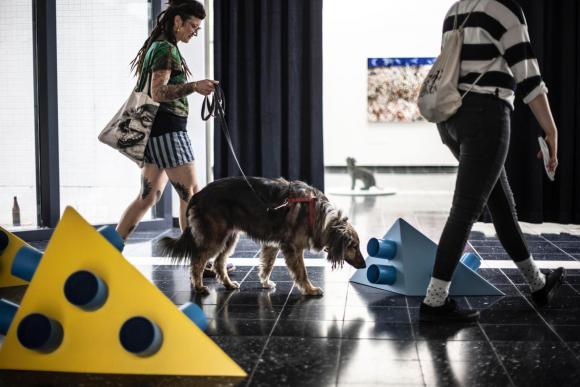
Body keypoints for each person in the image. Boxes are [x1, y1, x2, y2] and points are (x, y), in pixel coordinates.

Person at [420, 0, 565, 323]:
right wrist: (551, 129)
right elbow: (528, 76)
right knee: (466, 210)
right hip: (486, 119)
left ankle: (538, 284)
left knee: (501, 205)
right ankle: (434, 302)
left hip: (451, 121)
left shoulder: (455, 11)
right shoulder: (504, 10)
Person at [116, 0, 231, 275]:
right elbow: (159, 93)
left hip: (156, 132)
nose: (195, 31)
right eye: (193, 25)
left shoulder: (160, 46)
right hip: (168, 132)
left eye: (199, 28)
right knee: (192, 196)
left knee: (149, 196)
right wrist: (194, 86)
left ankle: (110, 248)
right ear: (177, 21)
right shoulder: (166, 48)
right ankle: (198, 260)